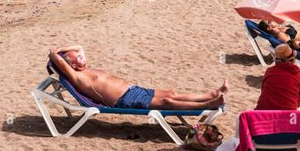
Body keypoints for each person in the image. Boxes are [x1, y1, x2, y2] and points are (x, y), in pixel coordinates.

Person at [49, 47, 227, 110]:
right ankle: (208, 104)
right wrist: (57, 52)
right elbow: (55, 57)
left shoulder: (88, 68)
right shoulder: (77, 76)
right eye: (77, 58)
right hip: (123, 100)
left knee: (171, 93)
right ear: (71, 66)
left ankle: (212, 94)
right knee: (167, 102)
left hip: (133, 89)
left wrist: (67, 49)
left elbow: (79, 46)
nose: (82, 57)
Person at [255, 44, 300, 110]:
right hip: (287, 116)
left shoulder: (270, 71)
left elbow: (263, 91)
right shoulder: (299, 76)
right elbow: (299, 102)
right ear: (293, 59)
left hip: (263, 113)